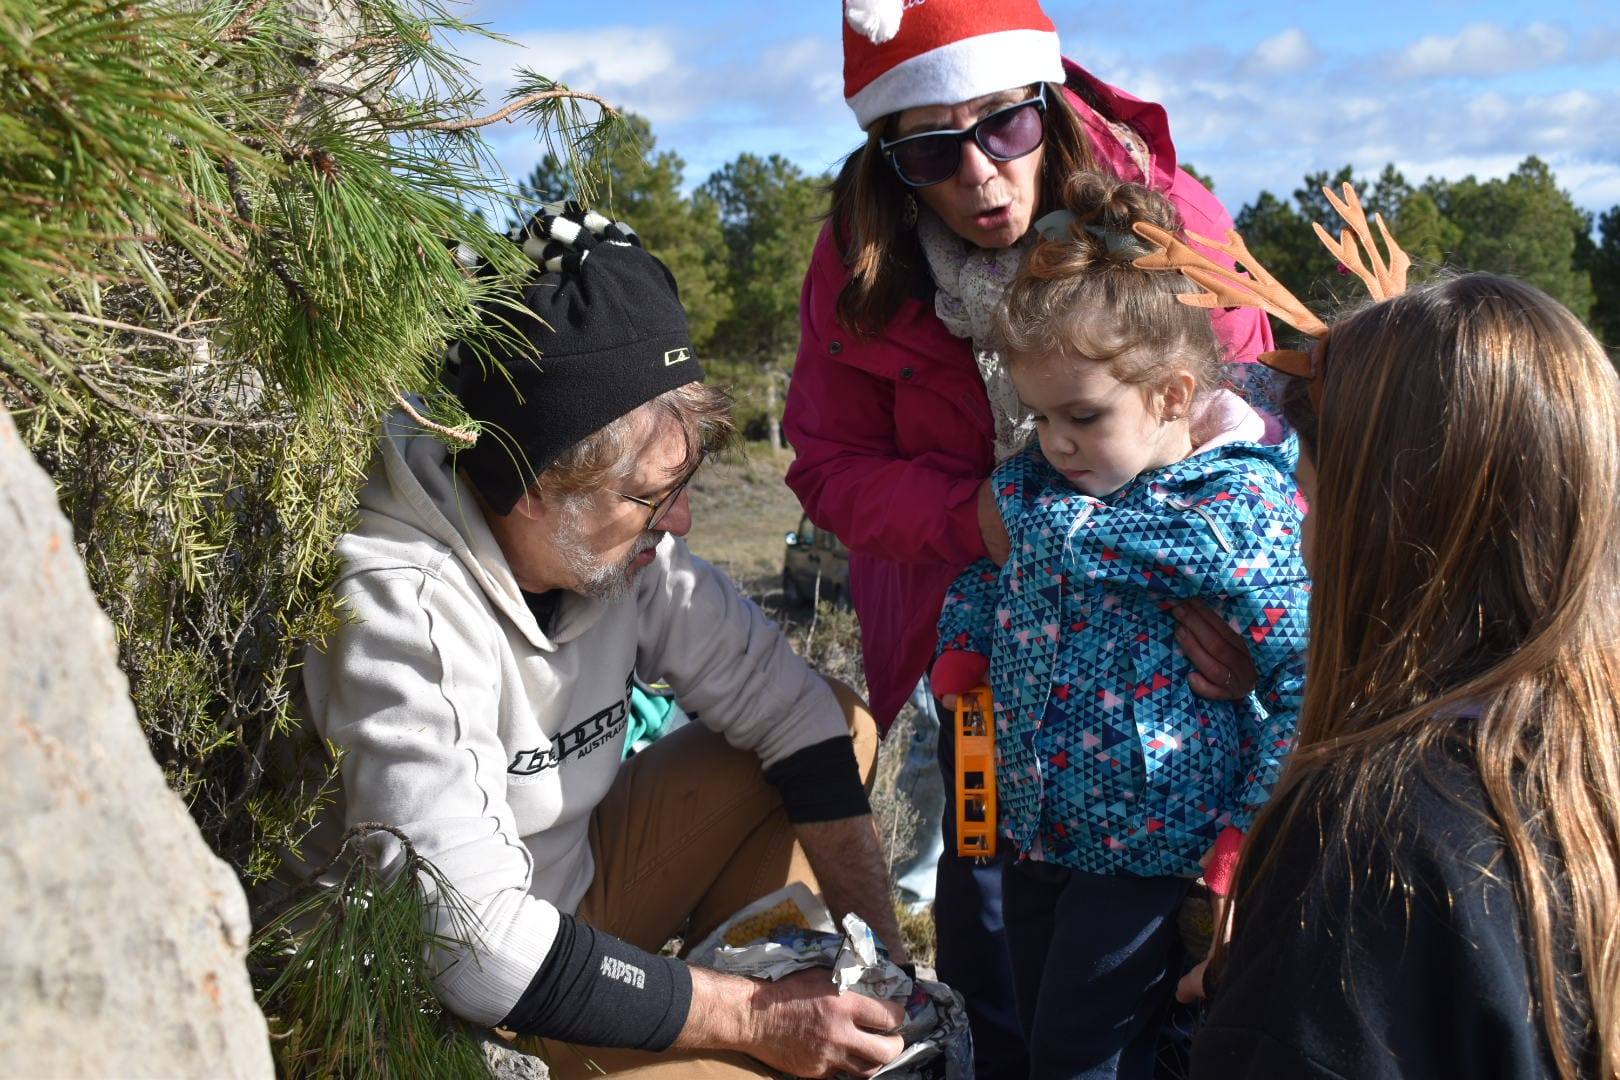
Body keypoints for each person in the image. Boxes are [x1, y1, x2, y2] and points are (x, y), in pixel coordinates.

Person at [299, 208, 912, 1079]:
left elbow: (798, 716)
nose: (683, 520)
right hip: (451, 1005)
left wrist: (883, 955)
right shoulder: (401, 607)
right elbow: (475, 953)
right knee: (765, 1063)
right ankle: (729, 1033)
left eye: (686, 481)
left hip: (573, 908)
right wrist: (753, 1020)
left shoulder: (623, 549)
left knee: (836, 728)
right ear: (533, 488)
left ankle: (804, 996)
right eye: (651, 495)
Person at [784, 3, 1274, 1072]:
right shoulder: (863, 257)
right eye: (927, 147)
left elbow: (1255, 431)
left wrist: (1246, 644)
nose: (976, 174)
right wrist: (975, 525)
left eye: (1001, 128)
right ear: (886, 153)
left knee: (1141, 976)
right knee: (986, 941)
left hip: (1162, 713)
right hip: (977, 681)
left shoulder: (1167, 221)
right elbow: (825, 462)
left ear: (1043, 104)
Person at [1134, 196, 1618, 1076]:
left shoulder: (1364, 835)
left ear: (1381, 524)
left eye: (1310, 496)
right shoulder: (1587, 761)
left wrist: (1255, 1016)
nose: (1301, 531)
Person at [927, 175, 1308, 1079]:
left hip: (1149, 843)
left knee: (1085, 1050)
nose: (1054, 441)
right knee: (1030, 1017)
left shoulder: (1228, 516)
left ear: (1174, 395)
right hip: (1031, 823)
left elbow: (1298, 678)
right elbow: (995, 573)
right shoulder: (1038, 483)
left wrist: (1246, 832)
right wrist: (964, 643)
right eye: (1040, 415)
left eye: (1082, 416)